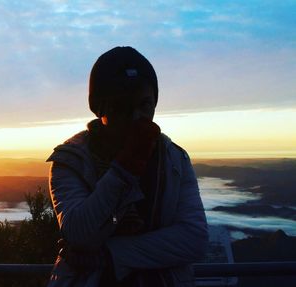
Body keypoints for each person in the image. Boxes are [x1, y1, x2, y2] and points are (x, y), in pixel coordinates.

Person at [46, 46, 209, 287]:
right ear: (100, 108)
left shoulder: (174, 158)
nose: (137, 117)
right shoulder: (70, 160)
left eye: (145, 105)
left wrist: (108, 255)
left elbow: (194, 239)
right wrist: (124, 170)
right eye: (122, 107)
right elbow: (79, 234)